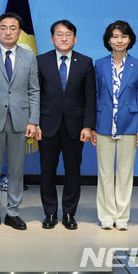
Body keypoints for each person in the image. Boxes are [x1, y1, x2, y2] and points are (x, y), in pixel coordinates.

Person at [0, 12, 39, 231]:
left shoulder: (29, 57)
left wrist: (34, 120)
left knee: (16, 169)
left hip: (21, 120)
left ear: (20, 32)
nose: (8, 32)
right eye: (3, 28)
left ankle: (13, 211)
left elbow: (34, 91)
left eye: (13, 28)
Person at [34, 20, 96, 230]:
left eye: (68, 34)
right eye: (59, 34)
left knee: (73, 172)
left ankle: (69, 213)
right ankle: (50, 212)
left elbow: (90, 98)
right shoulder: (40, 61)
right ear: (52, 39)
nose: (63, 38)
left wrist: (88, 126)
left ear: (75, 38)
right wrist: (35, 123)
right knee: (47, 171)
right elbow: (35, 95)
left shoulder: (86, 62)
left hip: (75, 128)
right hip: (47, 126)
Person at [91, 20, 138, 231]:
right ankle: (106, 215)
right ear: (108, 40)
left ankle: (122, 216)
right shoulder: (99, 64)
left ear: (129, 39)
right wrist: (93, 125)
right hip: (104, 122)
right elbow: (95, 96)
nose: (119, 40)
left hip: (130, 124)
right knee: (104, 172)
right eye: (114, 36)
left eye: (123, 36)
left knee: (125, 172)